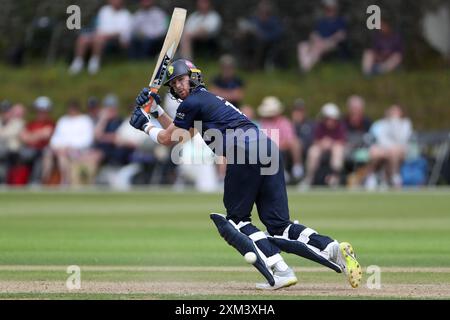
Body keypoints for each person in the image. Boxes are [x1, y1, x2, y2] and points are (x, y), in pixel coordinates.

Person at [128, 58, 362, 290]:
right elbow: (182, 134)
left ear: (193, 77)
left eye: (181, 79)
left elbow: (168, 138)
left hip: (243, 152)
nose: (178, 85)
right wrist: (157, 111)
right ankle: (333, 248)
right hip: (268, 148)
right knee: (279, 225)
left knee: (237, 221)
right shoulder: (206, 101)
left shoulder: (192, 104)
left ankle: (280, 269)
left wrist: (144, 126)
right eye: (174, 83)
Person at [68, 0, 132, 75]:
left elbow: (122, 32)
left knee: (99, 39)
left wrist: (105, 35)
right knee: (83, 39)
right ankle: (78, 62)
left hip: (114, 40)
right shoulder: (104, 10)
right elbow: (98, 26)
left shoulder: (126, 14)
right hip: (98, 35)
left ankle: (94, 63)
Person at [257, 96, 304, 183]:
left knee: (295, 143)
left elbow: (289, 139)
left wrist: (277, 144)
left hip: (281, 148)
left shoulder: (284, 122)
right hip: (265, 149)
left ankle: (297, 168)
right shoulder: (261, 123)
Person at [365, 105, 412, 189]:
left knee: (394, 152)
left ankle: (394, 177)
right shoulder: (381, 123)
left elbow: (402, 139)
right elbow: (380, 139)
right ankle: (371, 176)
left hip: (399, 149)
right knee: (374, 152)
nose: (394, 113)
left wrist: (395, 122)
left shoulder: (406, 123)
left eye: (396, 111)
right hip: (384, 149)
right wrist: (388, 148)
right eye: (392, 111)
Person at [303, 103, 347, 187]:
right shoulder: (319, 126)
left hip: (334, 148)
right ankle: (309, 178)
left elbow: (342, 141)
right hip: (321, 148)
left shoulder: (340, 126)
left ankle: (335, 178)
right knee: (313, 152)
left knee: (338, 150)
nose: (330, 121)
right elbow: (315, 140)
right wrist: (322, 143)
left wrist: (331, 143)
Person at [297, 0, 348, 73]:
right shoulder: (321, 21)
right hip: (319, 42)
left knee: (318, 48)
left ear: (335, 9)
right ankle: (303, 67)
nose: (328, 11)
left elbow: (341, 35)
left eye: (330, 9)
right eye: (327, 9)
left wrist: (327, 41)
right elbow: (314, 33)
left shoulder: (339, 21)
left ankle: (304, 70)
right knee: (302, 46)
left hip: (331, 43)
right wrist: (316, 39)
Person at [235, 0, 284, 70]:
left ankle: (254, 65)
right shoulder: (254, 19)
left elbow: (277, 34)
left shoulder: (273, 21)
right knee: (239, 39)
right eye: (261, 9)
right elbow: (249, 26)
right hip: (251, 41)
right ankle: (243, 63)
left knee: (259, 42)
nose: (262, 10)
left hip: (266, 44)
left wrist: (263, 35)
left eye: (265, 8)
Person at [19, 96, 55, 184]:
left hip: (43, 150)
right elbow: (24, 137)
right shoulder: (31, 124)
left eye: (43, 110)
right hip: (29, 150)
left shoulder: (50, 123)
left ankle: (37, 181)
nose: (41, 113)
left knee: (42, 154)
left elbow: (46, 134)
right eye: (39, 110)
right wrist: (38, 135)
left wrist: (32, 136)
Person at [291, 99, 315, 163]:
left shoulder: (311, 124)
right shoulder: (289, 125)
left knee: (296, 144)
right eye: (296, 111)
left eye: (300, 111)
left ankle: (298, 168)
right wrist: (294, 124)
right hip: (290, 148)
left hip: (307, 147)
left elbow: (311, 139)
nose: (298, 113)